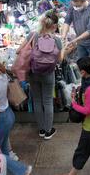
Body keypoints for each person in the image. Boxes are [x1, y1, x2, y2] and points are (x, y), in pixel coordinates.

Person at [17, 11, 66, 140]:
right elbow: (60, 60)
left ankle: (42, 129)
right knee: (48, 100)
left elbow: (18, 51)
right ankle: (49, 131)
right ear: (54, 26)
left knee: (37, 100)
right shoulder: (57, 40)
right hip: (49, 74)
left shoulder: (33, 35)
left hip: (33, 73)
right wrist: (64, 49)